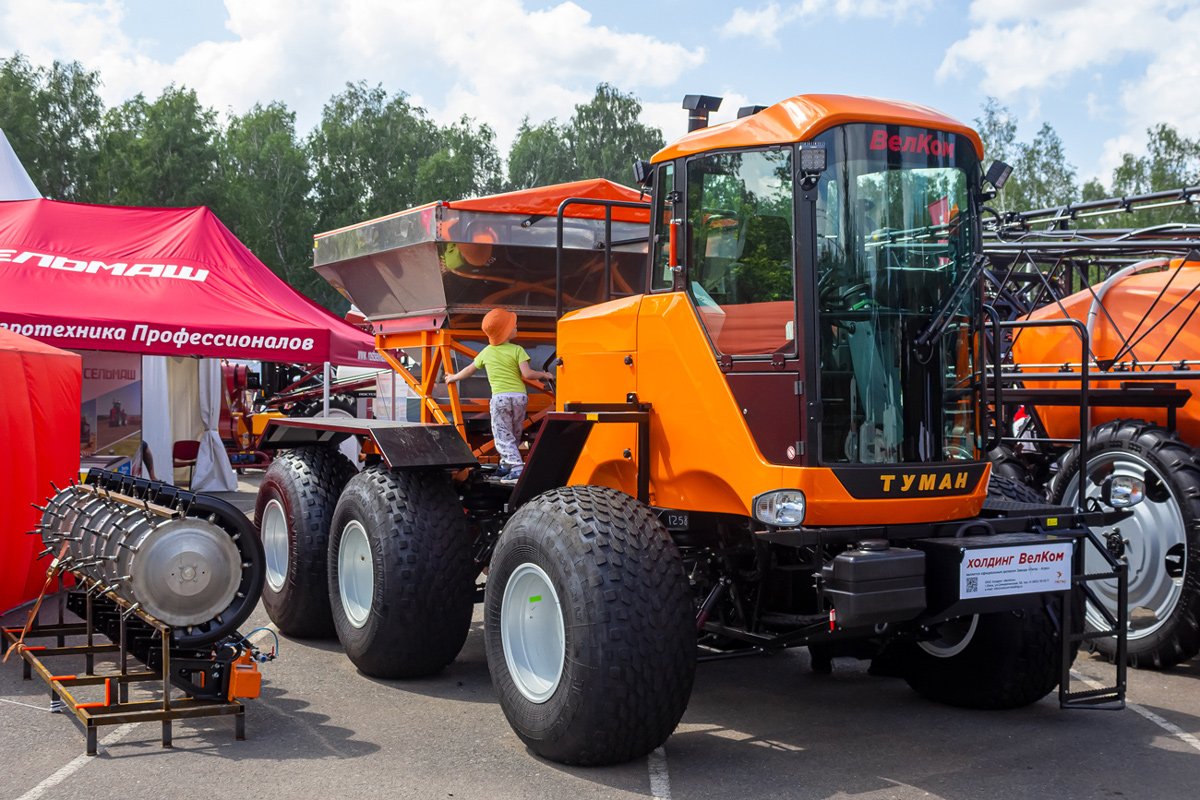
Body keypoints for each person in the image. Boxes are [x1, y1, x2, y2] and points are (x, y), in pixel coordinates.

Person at [444, 308, 553, 483]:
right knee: (514, 433)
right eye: (512, 325)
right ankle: (506, 466)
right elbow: (528, 374)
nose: (516, 326)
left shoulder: (487, 352)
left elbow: (469, 370)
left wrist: (453, 378)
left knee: (502, 434)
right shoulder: (518, 350)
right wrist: (545, 375)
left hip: (501, 399)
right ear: (505, 332)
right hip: (520, 398)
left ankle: (516, 469)